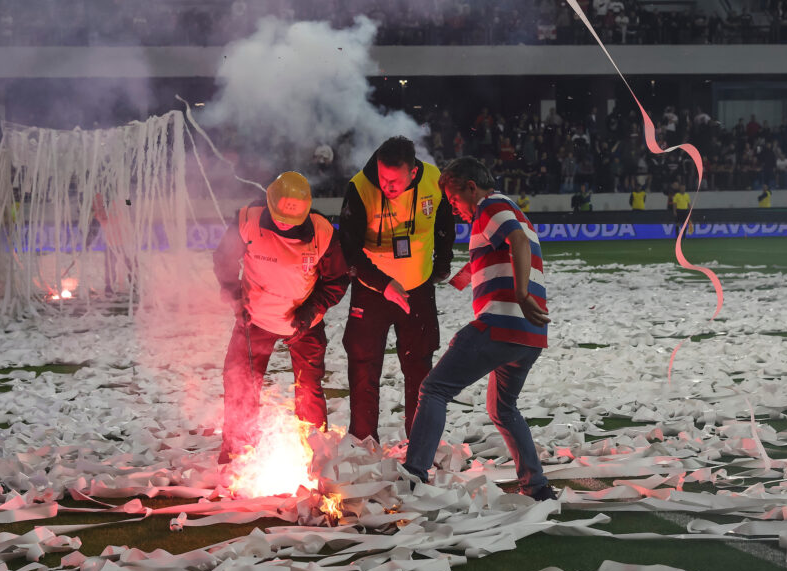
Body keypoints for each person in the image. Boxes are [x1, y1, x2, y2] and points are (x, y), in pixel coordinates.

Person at [402, 157, 556, 500]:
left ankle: (413, 475)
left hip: (501, 324)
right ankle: (537, 486)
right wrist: (453, 279)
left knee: (434, 389)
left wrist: (520, 292)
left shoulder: (490, 207)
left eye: (455, 199)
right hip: (528, 336)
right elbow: (494, 254)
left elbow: (516, 243)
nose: (455, 209)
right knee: (503, 409)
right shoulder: (513, 209)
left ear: (472, 187)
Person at [213, 171, 349, 464]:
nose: (286, 223)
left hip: (304, 323)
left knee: (309, 388)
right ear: (269, 204)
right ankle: (238, 452)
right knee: (240, 383)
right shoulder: (248, 220)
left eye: (293, 220)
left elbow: (337, 279)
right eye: (280, 217)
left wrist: (311, 311)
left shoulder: (322, 231)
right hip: (254, 320)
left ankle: (315, 454)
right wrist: (236, 299)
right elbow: (223, 259)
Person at [339, 136, 455, 443]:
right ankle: (363, 443)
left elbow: (445, 224)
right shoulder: (360, 188)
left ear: (413, 173)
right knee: (364, 366)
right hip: (371, 290)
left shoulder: (433, 180)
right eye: (382, 178)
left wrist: (443, 264)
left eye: (394, 181)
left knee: (419, 367)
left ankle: (419, 445)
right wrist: (383, 283)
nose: (387, 186)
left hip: (417, 288)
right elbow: (349, 251)